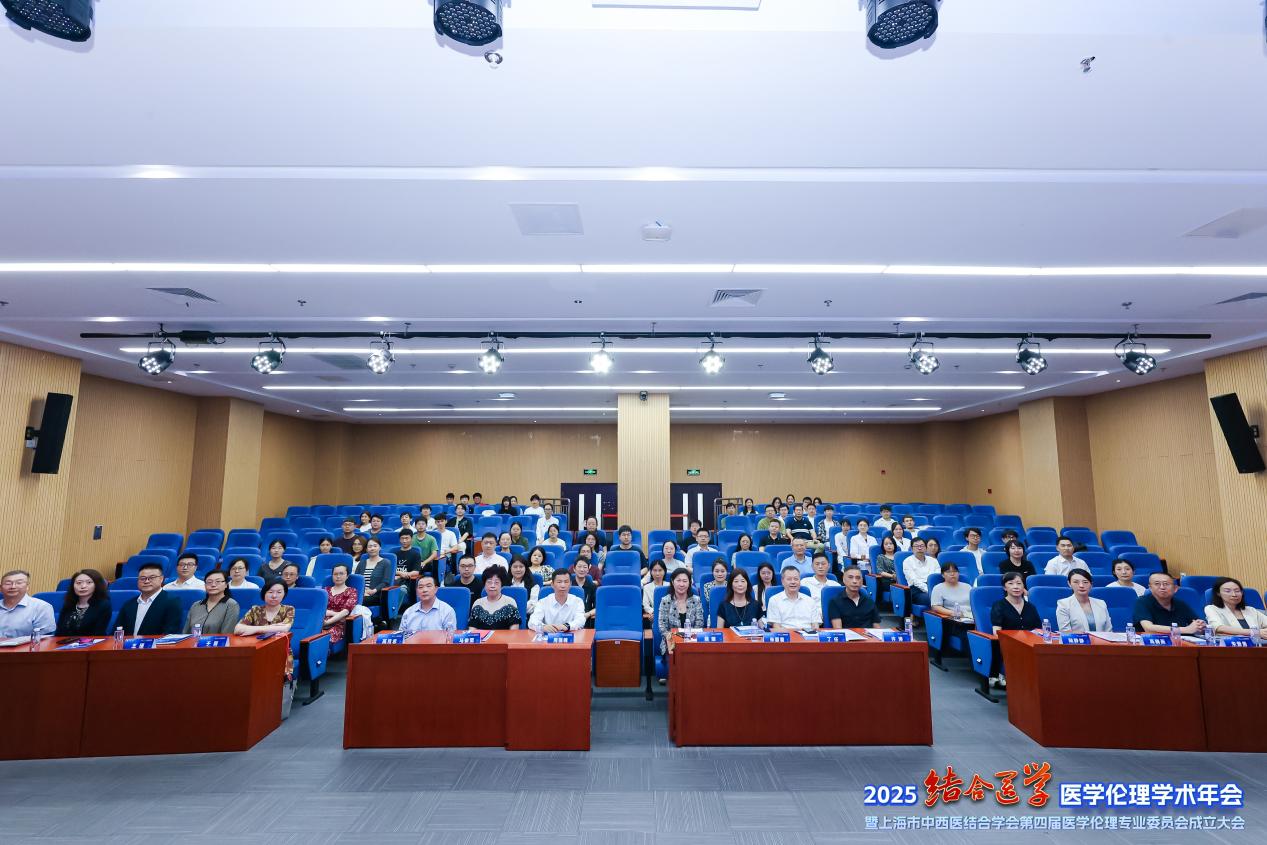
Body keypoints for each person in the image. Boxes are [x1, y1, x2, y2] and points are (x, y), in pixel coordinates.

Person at [115, 563, 182, 635]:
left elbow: (170, 632)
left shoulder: (172, 602)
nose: (146, 581)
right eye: (142, 578)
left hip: (158, 642)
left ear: (161, 579)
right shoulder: (129, 604)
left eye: (152, 577)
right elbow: (117, 631)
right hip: (128, 642)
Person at [1133, 572, 1206, 636]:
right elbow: (1149, 628)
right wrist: (1186, 630)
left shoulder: (1180, 604)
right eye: (1157, 584)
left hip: (1180, 643)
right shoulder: (1142, 601)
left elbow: (1196, 625)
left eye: (1166, 584)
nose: (1162, 587)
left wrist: (1200, 626)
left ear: (1175, 588)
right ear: (1150, 588)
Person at [657, 567, 704, 655]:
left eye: (685, 581)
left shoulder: (696, 600)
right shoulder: (665, 601)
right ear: (672, 582)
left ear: (689, 583)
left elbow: (699, 623)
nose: (681, 584)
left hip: (692, 642)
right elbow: (662, 627)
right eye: (678, 580)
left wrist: (690, 641)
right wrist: (675, 640)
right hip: (671, 643)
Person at [183, 568, 240, 635]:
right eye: (209, 582)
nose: (213, 585)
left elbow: (227, 634)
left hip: (218, 641)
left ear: (226, 585)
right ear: (205, 585)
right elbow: (186, 632)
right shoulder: (196, 605)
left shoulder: (231, 605)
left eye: (218, 581)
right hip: (193, 641)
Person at [55, 569, 112, 636]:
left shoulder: (103, 606)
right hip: (65, 642)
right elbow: (59, 632)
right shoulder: (69, 605)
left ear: (97, 585)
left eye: (89, 582)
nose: (83, 586)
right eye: (79, 583)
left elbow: (98, 633)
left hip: (93, 642)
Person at [528, 570, 587, 634]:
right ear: (552, 584)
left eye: (566, 582)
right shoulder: (543, 602)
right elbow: (532, 622)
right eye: (559, 582)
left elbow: (581, 620)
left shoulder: (578, 601)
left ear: (570, 584)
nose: (563, 585)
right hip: (549, 637)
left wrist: (567, 626)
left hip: (571, 636)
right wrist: (543, 627)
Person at [766, 565, 821, 632]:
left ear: (800, 581)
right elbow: (776, 627)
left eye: (796, 579)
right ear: (782, 581)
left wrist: (813, 632)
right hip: (786, 635)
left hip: (808, 636)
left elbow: (815, 625)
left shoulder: (810, 601)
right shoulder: (774, 600)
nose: (793, 582)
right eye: (789, 579)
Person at [1056, 568, 1112, 633]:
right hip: (1076, 639)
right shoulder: (1063, 604)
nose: (1081, 585)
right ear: (1069, 584)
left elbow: (1108, 630)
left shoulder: (1101, 603)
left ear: (1091, 584)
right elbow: (1065, 632)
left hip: (1101, 639)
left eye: (1085, 582)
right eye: (1076, 582)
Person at [470, 565, 521, 631]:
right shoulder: (478, 603)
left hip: (505, 637)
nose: (492, 586)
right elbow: (472, 629)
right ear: (484, 585)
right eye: (489, 582)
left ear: (501, 585)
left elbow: (514, 630)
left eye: (496, 582)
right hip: (482, 638)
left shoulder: (510, 602)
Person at [355, 538, 394, 620]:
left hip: (376, 594)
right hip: (362, 593)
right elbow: (356, 580)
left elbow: (385, 582)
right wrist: (363, 592)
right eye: (370, 546)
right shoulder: (362, 563)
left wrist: (373, 591)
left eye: (375, 546)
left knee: (355, 601)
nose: (372, 548)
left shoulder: (386, 562)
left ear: (380, 548)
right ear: (366, 549)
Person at [322, 563, 357, 646]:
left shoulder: (351, 591)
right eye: (335, 574)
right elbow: (320, 609)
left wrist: (327, 622)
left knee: (324, 638)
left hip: (339, 624)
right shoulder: (325, 590)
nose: (338, 576)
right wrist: (334, 614)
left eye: (341, 574)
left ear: (347, 576)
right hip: (322, 621)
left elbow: (345, 612)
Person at [393, 530, 429, 611]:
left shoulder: (415, 554)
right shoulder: (394, 554)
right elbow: (390, 569)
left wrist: (401, 575)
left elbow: (416, 572)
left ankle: (392, 614)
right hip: (393, 581)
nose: (404, 541)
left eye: (407, 538)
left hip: (407, 583)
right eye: (402, 538)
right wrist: (400, 573)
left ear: (411, 539)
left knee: (401, 590)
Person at [902, 537, 939, 608]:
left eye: (922, 546)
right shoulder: (907, 562)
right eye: (916, 546)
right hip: (916, 590)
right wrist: (930, 590)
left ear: (926, 548)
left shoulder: (933, 561)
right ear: (912, 549)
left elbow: (937, 577)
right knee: (934, 599)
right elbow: (915, 581)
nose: (919, 548)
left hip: (933, 587)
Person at [872, 534, 899, 606]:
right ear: (883, 546)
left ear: (894, 545)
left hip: (899, 579)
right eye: (886, 544)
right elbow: (880, 571)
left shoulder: (898, 556)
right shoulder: (881, 557)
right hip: (887, 580)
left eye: (891, 543)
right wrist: (892, 576)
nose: (889, 546)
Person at [572, 559, 598, 628]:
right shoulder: (569, 585)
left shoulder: (592, 586)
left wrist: (588, 614)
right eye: (579, 566)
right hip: (571, 620)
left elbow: (598, 607)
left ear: (588, 570)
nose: (582, 569)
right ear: (574, 569)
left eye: (585, 567)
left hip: (587, 620)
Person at [642, 559, 669, 625]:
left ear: (664, 571)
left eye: (660, 570)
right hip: (654, 614)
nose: (657, 573)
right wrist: (655, 613)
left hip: (669, 614)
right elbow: (645, 605)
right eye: (654, 570)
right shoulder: (647, 587)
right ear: (651, 572)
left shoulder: (670, 585)